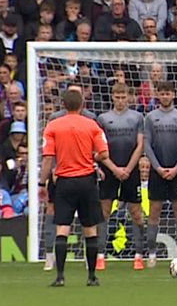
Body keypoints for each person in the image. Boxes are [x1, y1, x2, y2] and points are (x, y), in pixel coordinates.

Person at [39, 89, 109, 287]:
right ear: (82, 105)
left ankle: (60, 276)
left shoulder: (53, 126)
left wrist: (41, 183)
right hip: (87, 181)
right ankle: (92, 276)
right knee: (90, 229)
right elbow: (104, 153)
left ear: (63, 105)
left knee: (62, 227)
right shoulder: (92, 125)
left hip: (64, 182)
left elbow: (47, 159)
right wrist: (92, 158)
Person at [95, 83, 146, 271]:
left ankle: (138, 255)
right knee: (104, 212)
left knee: (136, 213)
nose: (120, 100)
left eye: (123, 96)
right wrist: (114, 168)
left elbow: (140, 145)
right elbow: (99, 147)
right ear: (112, 97)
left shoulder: (137, 117)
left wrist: (129, 168)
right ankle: (100, 255)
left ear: (129, 97)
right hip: (109, 169)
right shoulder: (103, 119)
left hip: (130, 170)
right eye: (117, 96)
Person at [143, 81, 177, 268]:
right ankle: (152, 253)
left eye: (168, 93)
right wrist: (157, 167)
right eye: (161, 93)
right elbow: (146, 145)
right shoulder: (150, 117)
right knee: (154, 211)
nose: (165, 96)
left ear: (174, 94)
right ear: (157, 94)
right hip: (157, 172)